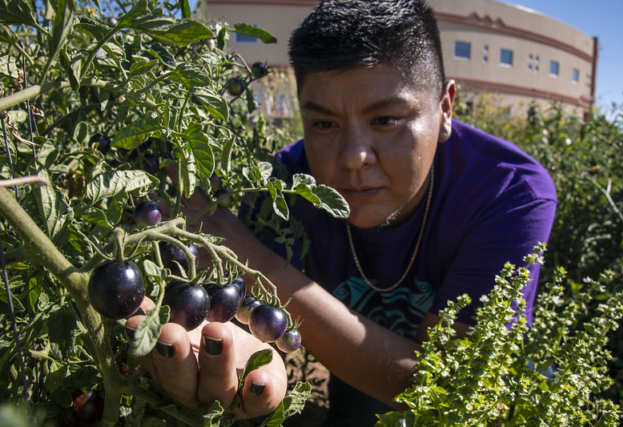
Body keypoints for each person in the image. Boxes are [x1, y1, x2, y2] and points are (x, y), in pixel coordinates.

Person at [126, 0, 557, 425]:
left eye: (386, 119)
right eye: (324, 124)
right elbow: (253, 327)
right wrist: (245, 354)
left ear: (445, 108)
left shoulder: (509, 192)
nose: (353, 157)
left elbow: (453, 389)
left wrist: (253, 258)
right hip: (353, 372)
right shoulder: (282, 185)